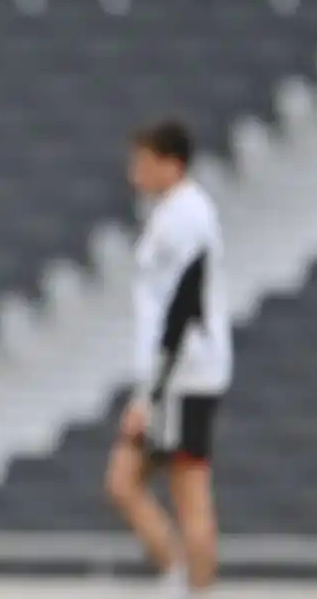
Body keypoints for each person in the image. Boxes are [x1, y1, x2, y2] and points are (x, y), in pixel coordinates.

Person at [105, 120, 232, 599]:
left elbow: (182, 310)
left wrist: (152, 392)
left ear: (170, 163)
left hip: (184, 378)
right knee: (125, 480)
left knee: (188, 491)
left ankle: (193, 586)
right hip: (175, 376)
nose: (135, 172)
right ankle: (181, 577)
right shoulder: (172, 213)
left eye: (143, 161)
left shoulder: (188, 217)